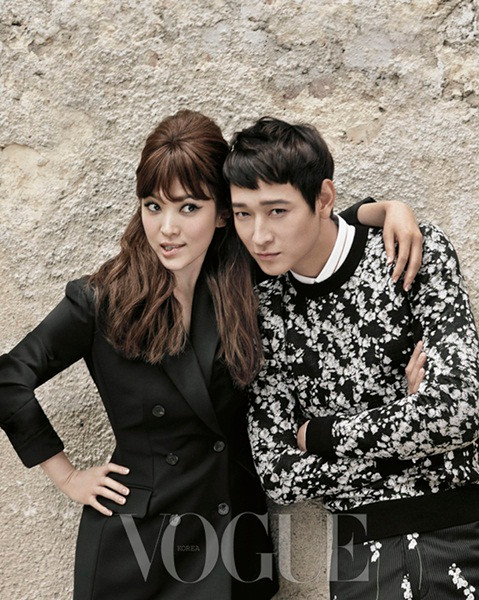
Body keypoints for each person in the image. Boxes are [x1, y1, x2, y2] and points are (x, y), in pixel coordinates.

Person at [0, 109, 421, 600]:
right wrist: (68, 476)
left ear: (222, 213)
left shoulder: (241, 276)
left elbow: (314, 227)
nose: (167, 229)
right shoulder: (102, 300)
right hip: (137, 546)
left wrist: (387, 210)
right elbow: (10, 378)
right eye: (153, 206)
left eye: (188, 207)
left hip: (233, 539)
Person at [223, 116, 479, 600]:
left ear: (323, 198)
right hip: (356, 560)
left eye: (277, 211)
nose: (258, 236)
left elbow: (459, 413)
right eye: (242, 214)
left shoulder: (410, 252)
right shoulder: (262, 308)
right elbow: (279, 475)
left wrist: (320, 435)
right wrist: (411, 421)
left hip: (461, 533)